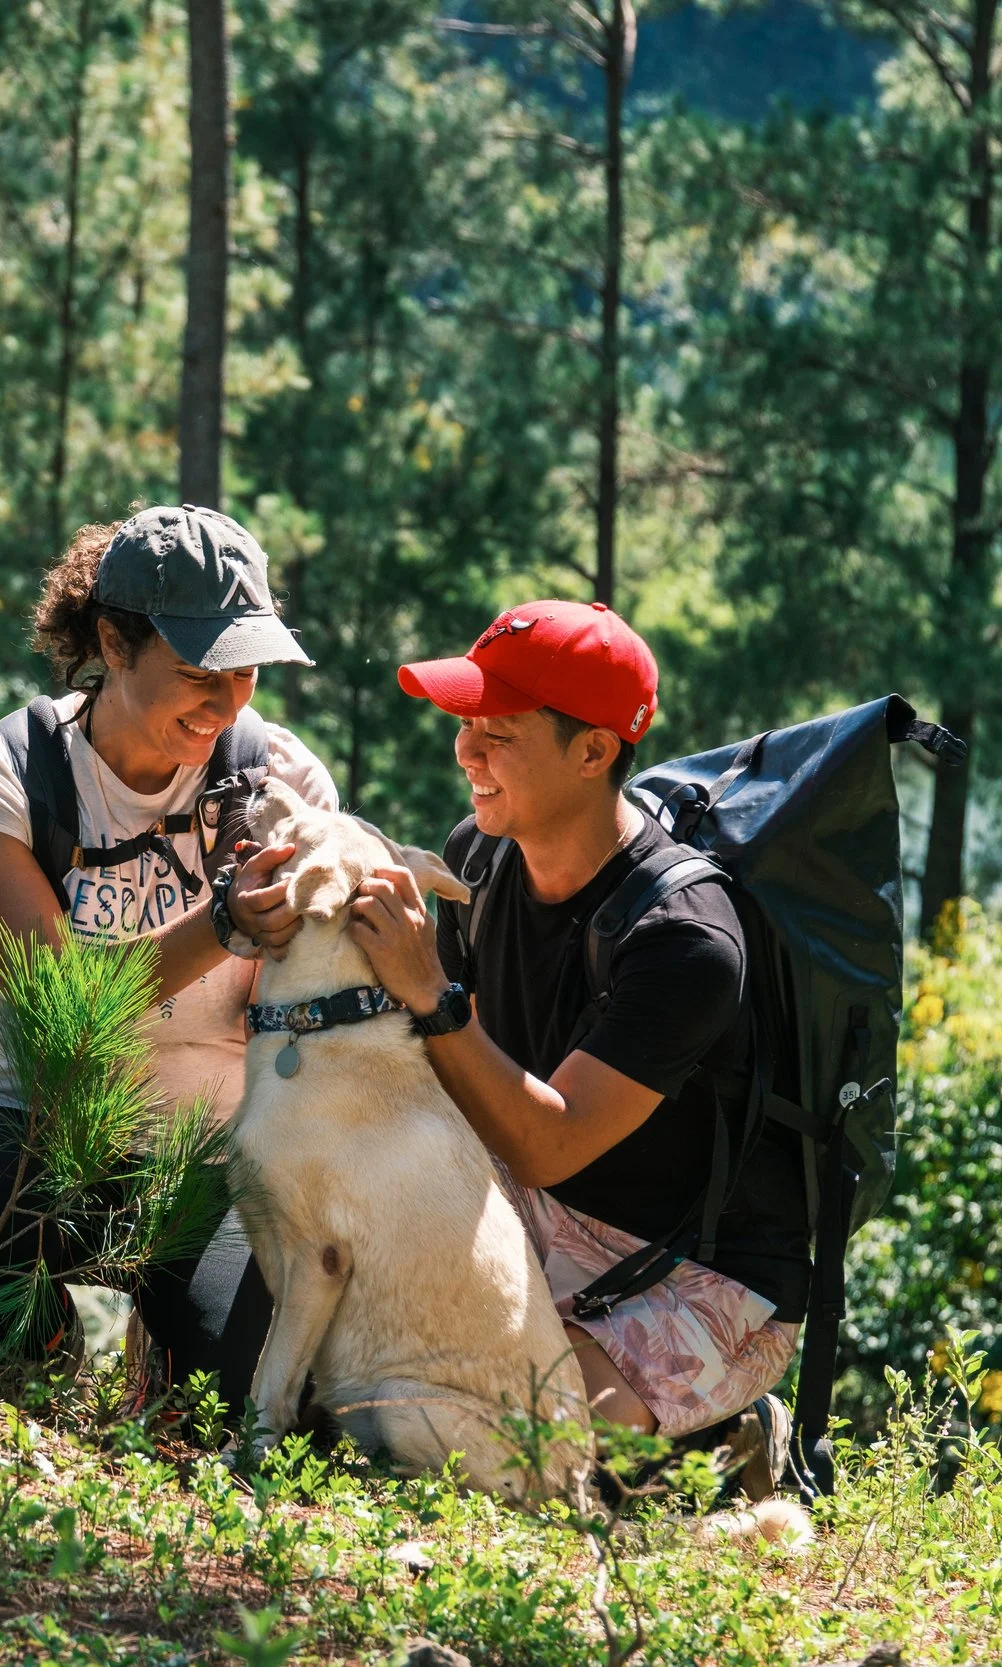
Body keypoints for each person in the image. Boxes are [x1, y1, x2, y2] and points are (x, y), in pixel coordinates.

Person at [341, 600, 809, 1490]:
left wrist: (427, 991)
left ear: (593, 752)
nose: (466, 753)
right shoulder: (478, 860)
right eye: (466, 726)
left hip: (698, 1269)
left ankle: (732, 1434)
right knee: (373, 1372)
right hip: (547, 1214)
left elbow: (548, 1144)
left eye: (499, 734)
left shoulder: (685, 940)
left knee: (522, 1450)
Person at [0, 505, 339, 1387]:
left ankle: (165, 1355)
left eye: (245, 671)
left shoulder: (280, 776)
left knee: (218, 1386)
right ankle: (44, 1340)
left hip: (211, 1151)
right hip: (28, 1126)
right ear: (114, 642)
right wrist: (223, 923)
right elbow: (67, 998)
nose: (225, 700)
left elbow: (304, 1018)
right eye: (200, 670)